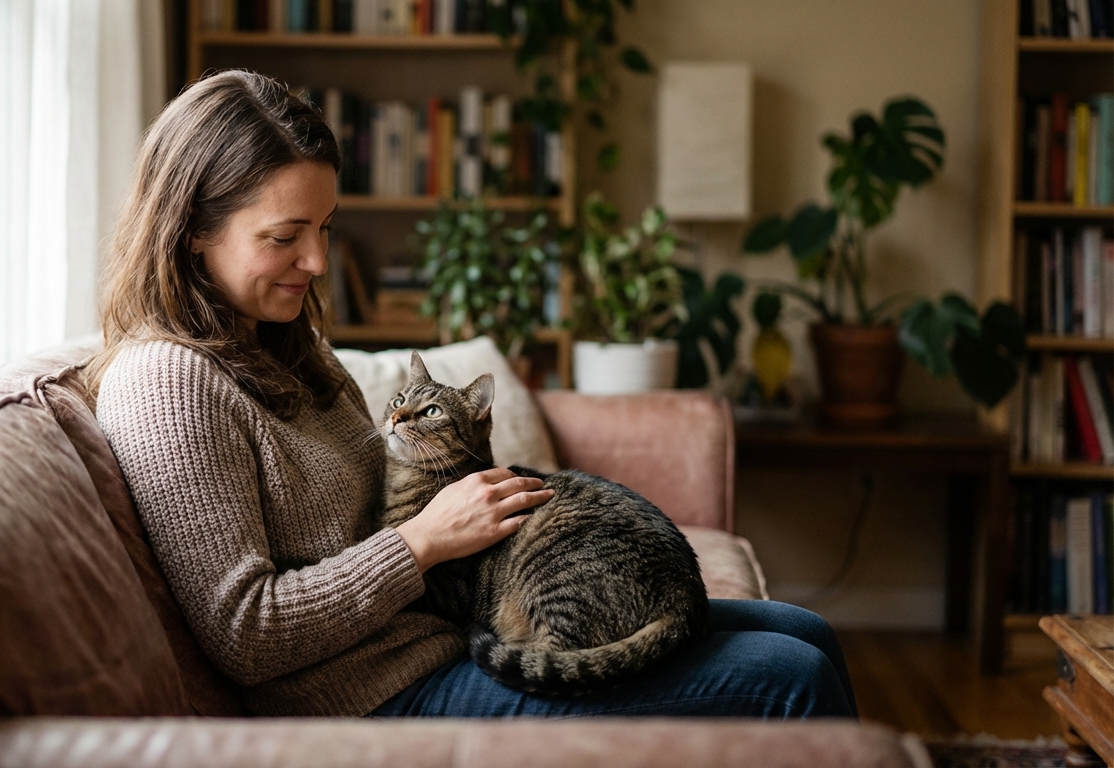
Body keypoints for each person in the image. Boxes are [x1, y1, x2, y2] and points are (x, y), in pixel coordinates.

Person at [91, 69, 858, 720]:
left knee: (804, 631)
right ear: (193, 226)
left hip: (441, 634)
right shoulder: (169, 381)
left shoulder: (287, 348)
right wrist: (424, 540)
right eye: (285, 236)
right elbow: (247, 633)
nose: (318, 261)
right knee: (796, 678)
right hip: (373, 695)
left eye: (326, 227)